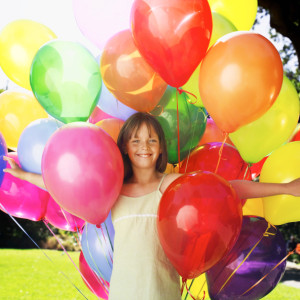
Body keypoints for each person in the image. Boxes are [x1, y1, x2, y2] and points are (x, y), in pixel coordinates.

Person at [3, 112, 300, 300]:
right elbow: (62, 184)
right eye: (135, 140)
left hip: (162, 294)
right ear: (124, 147)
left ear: (160, 146)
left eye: (151, 139)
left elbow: (230, 189)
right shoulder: (113, 191)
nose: (143, 146)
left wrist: (285, 188)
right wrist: (25, 174)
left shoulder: (172, 185)